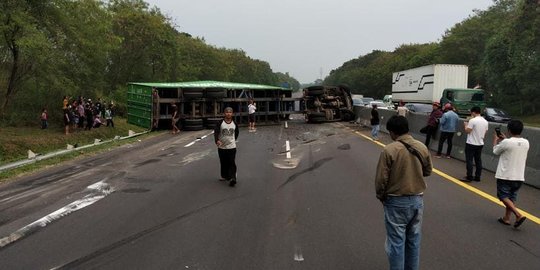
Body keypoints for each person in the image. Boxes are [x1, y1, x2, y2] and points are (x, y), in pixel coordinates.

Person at [375, 115, 432, 270]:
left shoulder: (389, 150)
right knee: (413, 241)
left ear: (393, 132)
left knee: (396, 242)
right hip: (417, 200)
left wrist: (381, 196)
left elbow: (381, 180)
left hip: (395, 201)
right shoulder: (421, 147)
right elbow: (427, 171)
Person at [493, 120, 529, 228]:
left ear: (509, 130)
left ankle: (518, 215)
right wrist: (505, 139)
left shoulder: (506, 142)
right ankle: (506, 219)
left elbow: (495, 151)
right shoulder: (526, 142)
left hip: (505, 175)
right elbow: (514, 146)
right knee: (511, 198)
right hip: (519, 176)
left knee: (502, 195)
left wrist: (495, 140)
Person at [462, 106, 489, 182]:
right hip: (480, 143)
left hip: (471, 143)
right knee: (478, 160)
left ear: (473, 112)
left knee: (469, 160)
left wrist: (465, 125)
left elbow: (468, 131)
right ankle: (477, 176)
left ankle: (469, 176)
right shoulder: (485, 121)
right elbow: (485, 133)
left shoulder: (472, 120)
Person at [214, 107, 240, 187]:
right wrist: (217, 140)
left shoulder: (234, 123)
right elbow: (216, 132)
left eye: (230, 112)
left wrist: (233, 140)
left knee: (232, 162)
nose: (228, 113)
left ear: (232, 114)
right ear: (224, 113)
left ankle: (233, 178)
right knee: (223, 162)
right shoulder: (220, 123)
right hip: (222, 147)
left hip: (232, 147)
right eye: (227, 112)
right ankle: (225, 176)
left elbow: (236, 133)